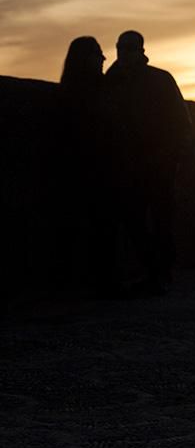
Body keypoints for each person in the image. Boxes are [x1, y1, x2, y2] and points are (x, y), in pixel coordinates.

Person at [105, 30, 191, 295]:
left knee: (155, 220)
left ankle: (158, 274)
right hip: (136, 166)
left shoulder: (155, 79)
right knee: (143, 220)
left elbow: (180, 124)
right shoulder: (121, 80)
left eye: (127, 48)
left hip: (155, 165)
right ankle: (158, 273)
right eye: (121, 48)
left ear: (139, 51)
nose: (123, 53)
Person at [57, 37, 119, 295]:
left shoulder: (81, 89)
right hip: (92, 169)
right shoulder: (90, 91)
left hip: (89, 168)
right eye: (98, 54)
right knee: (99, 226)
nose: (103, 59)